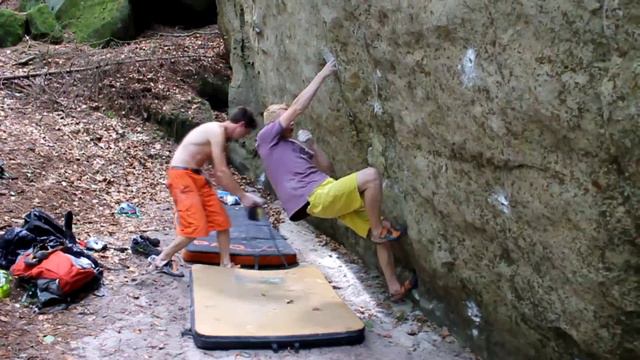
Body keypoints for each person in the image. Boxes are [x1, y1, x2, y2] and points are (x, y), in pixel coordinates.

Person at [256, 60, 417, 301]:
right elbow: (298, 108)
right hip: (314, 197)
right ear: (274, 124)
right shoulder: (266, 139)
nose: (291, 120)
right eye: (285, 117)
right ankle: (378, 230)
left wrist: (312, 146)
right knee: (371, 176)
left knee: (379, 228)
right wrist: (322, 74)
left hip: (325, 192)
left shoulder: (292, 147)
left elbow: (327, 169)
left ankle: (393, 287)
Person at [150, 107, 265, 276]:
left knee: (221, 221)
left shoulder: (221, 137)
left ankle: (226, 265)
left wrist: (215, 183)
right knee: (194, 228)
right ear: (241, 125)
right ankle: (160, 260)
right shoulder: (216, 130)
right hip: (182, 177)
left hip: (198, 178)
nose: (242, 138)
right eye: (245, 133)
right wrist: (243, 196)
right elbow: (221, 171)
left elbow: (217, 173)